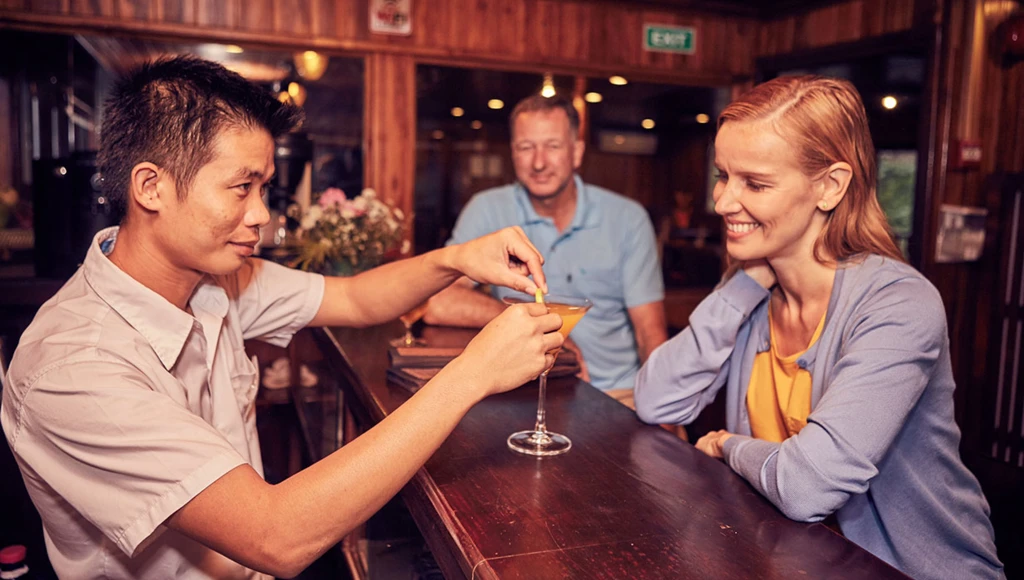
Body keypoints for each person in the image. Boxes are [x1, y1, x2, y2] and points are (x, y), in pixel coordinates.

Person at [0, 56, 565, 580]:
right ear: (152, 187)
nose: (262, 215)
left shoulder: (212, 279)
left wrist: (455, 259)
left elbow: (356, 299)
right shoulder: (75, 366)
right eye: (241, 187)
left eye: (263, 188)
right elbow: (274, 535)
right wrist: (472, 373)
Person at [633, 75, 1003, 579]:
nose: (722, 202)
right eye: (723, 176)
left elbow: (808, 486)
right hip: (795, 561)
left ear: (830, 186)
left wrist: (725, 446)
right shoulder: (753, 291)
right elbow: (657, 400)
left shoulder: (898, 304)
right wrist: (744, 284)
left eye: (755, 184)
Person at [424, 95, 667, 403]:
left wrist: (661, 412)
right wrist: (535, 326)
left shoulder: (627, 218)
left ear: (576, 152)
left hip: (615, 392)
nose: (538, 163)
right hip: (520, 392)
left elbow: (650, 333)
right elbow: (438, 303)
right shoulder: (487, 209)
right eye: (526, 147)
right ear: (513, 153)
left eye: (553, 146)